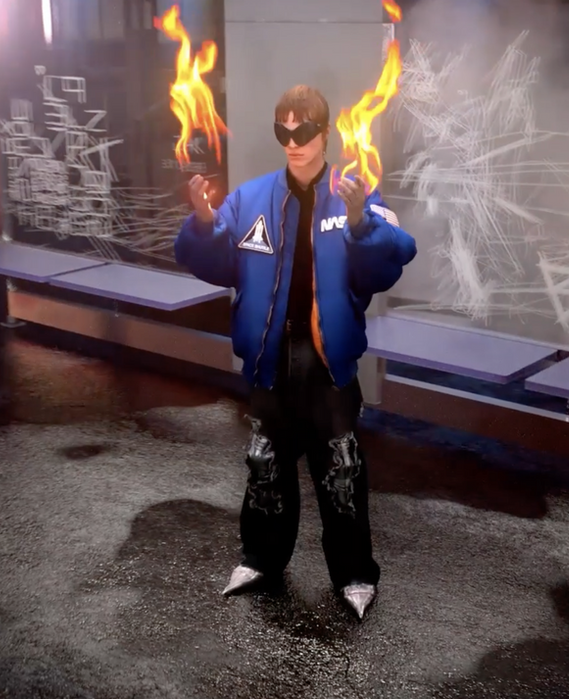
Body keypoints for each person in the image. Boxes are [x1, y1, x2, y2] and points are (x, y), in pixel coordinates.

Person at [173, 85, 417, 619]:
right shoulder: (251, 199)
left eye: (302, 131)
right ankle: (261, 558)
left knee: (341, 469)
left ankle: (354, 573)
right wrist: (205, 223)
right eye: (282, 132)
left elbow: (392, 261)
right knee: (266, 464)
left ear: (324, 133)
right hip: (271, 358)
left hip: (328, 364)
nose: (292, 142)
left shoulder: (353, 193)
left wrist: (360, 222)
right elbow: (215, 262)